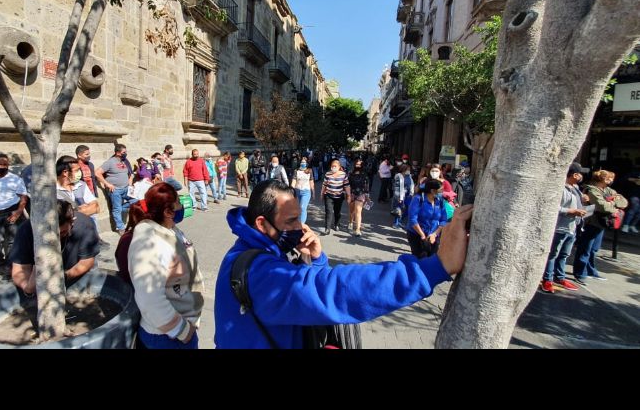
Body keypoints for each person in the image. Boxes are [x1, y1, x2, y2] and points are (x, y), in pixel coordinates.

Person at [213, 180, 473, 349]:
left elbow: (302, 296)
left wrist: (316, 260)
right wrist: (434, 268)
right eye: (291, 221)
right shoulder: (260, 270)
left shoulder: (264, 249)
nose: (301, 228)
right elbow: (333, 291)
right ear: (261, 223)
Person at [121, 183, 204, 349]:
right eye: (178, 203)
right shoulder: (147, 242)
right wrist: (182, 331)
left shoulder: (169, 228)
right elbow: (150, 299)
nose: (182, 206)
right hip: (166, 337)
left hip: (183, 326)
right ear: (167, 212)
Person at [9, 200, 99, 298]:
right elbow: (19, 269)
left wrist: (61, 277)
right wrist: (28, 287)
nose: (55, 240)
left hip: (75, 276)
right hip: (39, 282)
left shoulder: (85, 225)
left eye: (62, 233)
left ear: (72, 221)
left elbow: (86, 262)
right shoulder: (26, 230)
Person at [573, 170, 628, 285]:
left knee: (593, 250)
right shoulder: (592, 190)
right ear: (601, 179)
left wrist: (611, 202)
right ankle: (580, 273)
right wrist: (613, 203)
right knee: (585, 249)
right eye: (608, 178)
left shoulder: (608, 190)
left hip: (602, 223)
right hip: (591, 222)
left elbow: (624, 202)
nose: (611, 181)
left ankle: (590, 271)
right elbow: (602, 206)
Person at [540, 163, 587, 293]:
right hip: (561, 226)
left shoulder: (576, 188)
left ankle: (560, 277)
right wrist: (571, 211)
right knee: (553, 254)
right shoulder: (560, 188)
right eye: (579, 173)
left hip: (573, 226)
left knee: (565, 254)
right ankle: (547, 279)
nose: (581, 176)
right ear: (574, 174)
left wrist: (582, 201)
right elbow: (553, 207)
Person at [95, 143, 135, 235]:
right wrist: (107, 184)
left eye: (126, 151)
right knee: (117, 209)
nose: (126, 153)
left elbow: (127, 174)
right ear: (117, 152)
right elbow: (97, 173)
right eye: (124, 152)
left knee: (136, 201)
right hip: (115, 190)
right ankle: (121, 228)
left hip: (126, 188)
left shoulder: (124, 161)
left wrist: (130, 184)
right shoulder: (110, 162)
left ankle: (122, 209)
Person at [55, 155, 99, 232]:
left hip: (85, 231)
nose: (80, 173)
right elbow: (58, 217)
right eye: (77, 170)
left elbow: (96, 207)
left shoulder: (81, 184)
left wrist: (72, 212)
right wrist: (84, 209)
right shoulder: (52, 191)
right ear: (65, 172)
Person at [406, 179, 448, 258]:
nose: (442, 192)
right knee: (419, 259)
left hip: (433, 236)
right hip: (416, 234)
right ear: (432, 191)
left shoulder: (440, 201)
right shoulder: (418, 199)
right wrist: (422, 236)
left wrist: (434, 234)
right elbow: (412, 219)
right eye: (441, 190)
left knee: (432, 259)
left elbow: (443, 220)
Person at [321, 159, 351, 235]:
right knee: (328, 211)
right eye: (332, 166)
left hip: (339, 197)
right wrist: (321, 194)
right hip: (328, 195)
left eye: (335, 166)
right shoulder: (327, 174)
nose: (333, 167)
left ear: (339, 167)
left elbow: (347, 186)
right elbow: (324, 184)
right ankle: (327, 228)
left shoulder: (343, 175)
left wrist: (349, 195)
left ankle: (336, 224)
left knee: (337, 212)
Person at [347, 159, 370, 237]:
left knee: (358, 211)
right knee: (351, 211)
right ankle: (350, 222)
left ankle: (357, 229)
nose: (358, 166)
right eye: (357, 164)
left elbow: (367, 184)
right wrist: (347, 194)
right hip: (351, 193)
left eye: (359, 164)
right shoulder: (350, 173)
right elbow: (347, 184)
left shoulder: (364, 174)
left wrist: (367, 195)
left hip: (361, 194)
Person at [290, 157, 314, 224]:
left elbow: (311, 182)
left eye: (304, 162)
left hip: (306, 192)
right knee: (298, 208)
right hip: (297, 191)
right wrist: (291, 190)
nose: (303, 163)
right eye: (302, 162)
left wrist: (313, 192)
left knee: (302, 208)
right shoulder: (296, 171)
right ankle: (298, 222)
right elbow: (294, 181)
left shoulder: (310, 171)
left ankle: (302, 225)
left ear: (306, 163)